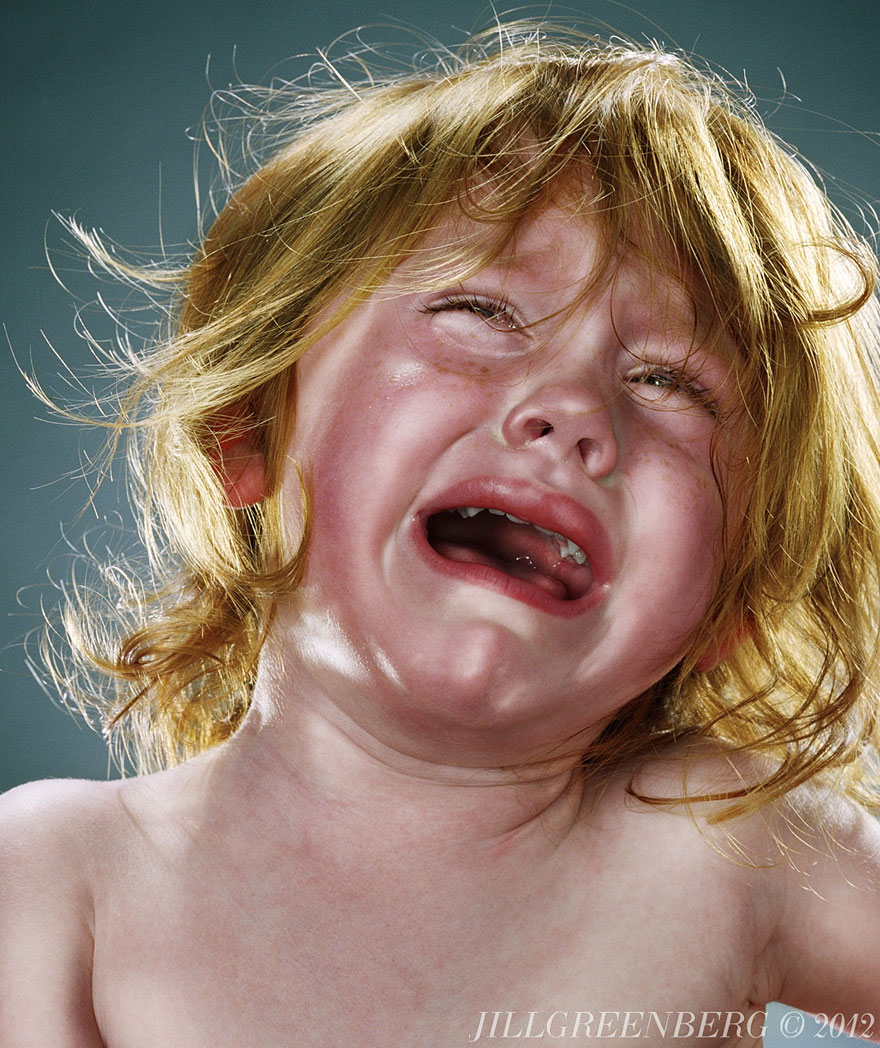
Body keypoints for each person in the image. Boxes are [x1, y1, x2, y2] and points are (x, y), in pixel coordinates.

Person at [2, 21, 880, 1047]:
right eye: (483, 312)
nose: (572, 410)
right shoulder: (60, 879)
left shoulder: (721, 842)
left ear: (733, 601)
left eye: (668, 380)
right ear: (249, 425)